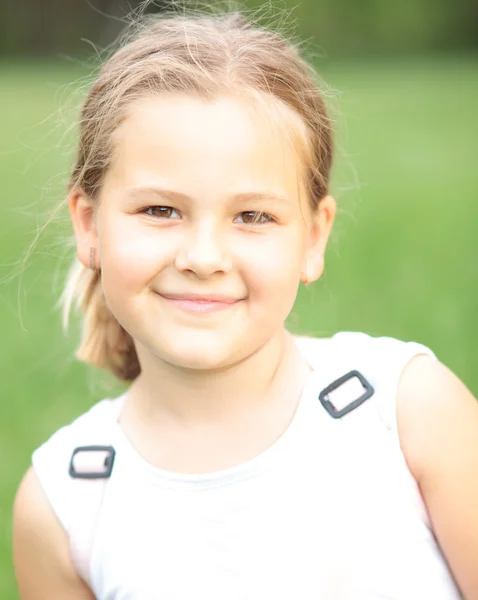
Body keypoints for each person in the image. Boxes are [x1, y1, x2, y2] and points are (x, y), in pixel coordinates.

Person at [12, 8, 478, 600]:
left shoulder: (404, 412)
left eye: (253, 216)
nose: (204, 257)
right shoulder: (67, 503)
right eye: (160, 210)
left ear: (313, 238)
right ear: (89, 224)